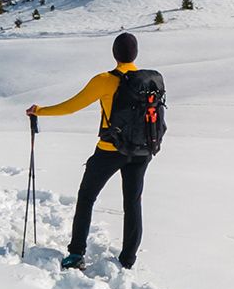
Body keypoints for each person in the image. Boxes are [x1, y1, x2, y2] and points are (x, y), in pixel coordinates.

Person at [26, 32, 150, 271]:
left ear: (114, 54)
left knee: (86, 197)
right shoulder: (147, 81)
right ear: (135, 54)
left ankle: (76, 254)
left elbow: (71, 107)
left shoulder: (105, 80)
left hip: (109, 149)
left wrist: (39, 111)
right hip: (142, 150)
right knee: (133, 202)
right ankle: (128, 259)